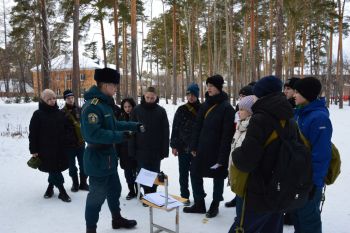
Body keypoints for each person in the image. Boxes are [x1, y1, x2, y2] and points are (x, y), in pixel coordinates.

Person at [81, 68, 143, 233]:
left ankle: (117, 219)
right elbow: (93, 134)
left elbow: (114, 125)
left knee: (115, 191)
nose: (116, 88)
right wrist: (121, 136)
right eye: (114, 85)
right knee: (96, 198)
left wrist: (134, 126)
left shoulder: (105, 105)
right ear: (105, 85)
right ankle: (91, 229)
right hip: (97, 159)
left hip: (109, 158)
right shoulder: (92, 107)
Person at [229, 75, 293, 233]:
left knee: (242, 227)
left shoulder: (260, 119)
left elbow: (246, 161)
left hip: (259, 188)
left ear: (262, 95)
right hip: (280, 186)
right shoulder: (289, 117)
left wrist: (236, 153)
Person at [184, 74, 235, 218]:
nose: (209, 88)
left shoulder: (227, 108)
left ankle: (215, 204)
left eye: (211, 86)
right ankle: (199, 203)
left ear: (219, 87)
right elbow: (197, 127)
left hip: (217, 151)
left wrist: (222, 157)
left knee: (218, 176)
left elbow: (227, 136)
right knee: (194, 173)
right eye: (208, 86)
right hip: (201, 149)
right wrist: (193, 146)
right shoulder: (205, 104)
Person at [291, 77, 332, 233]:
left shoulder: (318, 118)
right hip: (297, 177)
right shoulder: (300, 113)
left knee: (308, 219)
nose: (293, 95)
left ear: (306, 94)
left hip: (309, 181)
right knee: (297, 215)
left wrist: (315, 183)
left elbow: (321, 155)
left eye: (297, 91)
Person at [29, 89, 71, 202]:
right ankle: (62, 191)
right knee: (54, 169)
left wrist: (67, 140)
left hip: (60, 148)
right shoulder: (38, 114)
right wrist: (33, 149)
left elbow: (67, 129)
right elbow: (33, 134)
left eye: (53, 98)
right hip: (45, 149)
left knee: (55, 168)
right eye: (49, 99)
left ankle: (50, 187)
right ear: (43, 101)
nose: (52, 101)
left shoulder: (60, 113)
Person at [129, 86, 170, 196]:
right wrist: (131, 149)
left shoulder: (161, 111)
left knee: (154, 173)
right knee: (143, 173)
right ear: (144, 96)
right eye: (148, 97)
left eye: (152, 98)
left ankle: (153, 193)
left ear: (156, 97)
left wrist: (165, 150)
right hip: (141, 150)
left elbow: (166, 132)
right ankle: (147, 194)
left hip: (156, 150)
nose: (150, 100)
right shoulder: (136, 110)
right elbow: (131, 131)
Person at [170, 83, 201, 206]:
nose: (191, 97)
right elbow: (175, 128)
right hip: (182, 147)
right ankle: (184, 196)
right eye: (189, 94)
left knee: (196, 173)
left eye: (193, 94)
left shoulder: (202, 108)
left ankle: (198, 197)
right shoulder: (181, 109)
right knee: (183, 173)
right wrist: (174, 145)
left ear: (197, 95)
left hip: (196, 148)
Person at [225, 84, 255, 208]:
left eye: (242, 109)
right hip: (235, 168)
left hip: (244, 172)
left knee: (243, 208)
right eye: (240, 96)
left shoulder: (252, 127)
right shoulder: (240, 124)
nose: (238, 110)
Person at [61, 89, 89, 192]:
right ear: (65, 99)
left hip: (81, 143)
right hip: (69, 146)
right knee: (72, 167)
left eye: (72, 98)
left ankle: (83, 183)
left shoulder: (80, 110)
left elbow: (86, 124)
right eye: (68, 98)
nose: (71, 100)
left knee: (83, 165)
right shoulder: (62, 113)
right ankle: (75, 184)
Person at [117, 98, 138, 200]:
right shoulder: (120, 118)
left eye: (129, 106)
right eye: (125, 107)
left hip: (136, 149)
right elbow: (117, 135)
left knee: (138, 171)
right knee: (128, 172)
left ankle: (139, 191)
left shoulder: (137, 117)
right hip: (124, 150)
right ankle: (131, 191)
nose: (127, 109)